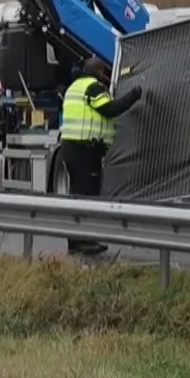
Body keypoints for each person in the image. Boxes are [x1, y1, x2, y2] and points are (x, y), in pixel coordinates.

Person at [60, 56, 143, 255]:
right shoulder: (93, 88)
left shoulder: (74, 87)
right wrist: (134, 95)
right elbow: (110, 110)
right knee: (88, 196)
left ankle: (76, 241)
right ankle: (85, 241)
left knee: (78, 196)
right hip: (85, 151)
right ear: (98, 73)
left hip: (73, 148)